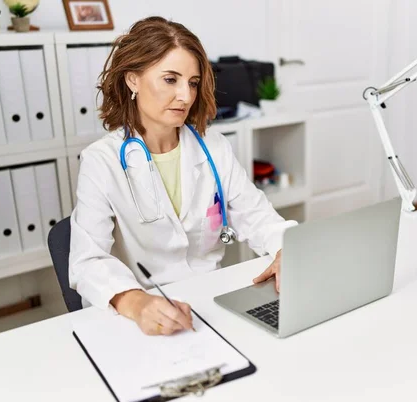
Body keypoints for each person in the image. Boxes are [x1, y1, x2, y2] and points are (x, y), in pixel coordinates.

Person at [68, 16, 297, 336]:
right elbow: (87, 261)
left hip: (212, 301)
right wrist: (135, 302)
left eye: (192, 82)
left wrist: (288, 250)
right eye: (170, 79)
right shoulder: (102, 161)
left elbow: (259, 218)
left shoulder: (213, 148)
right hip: (145, 311)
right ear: (132, 79)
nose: (186, 96)